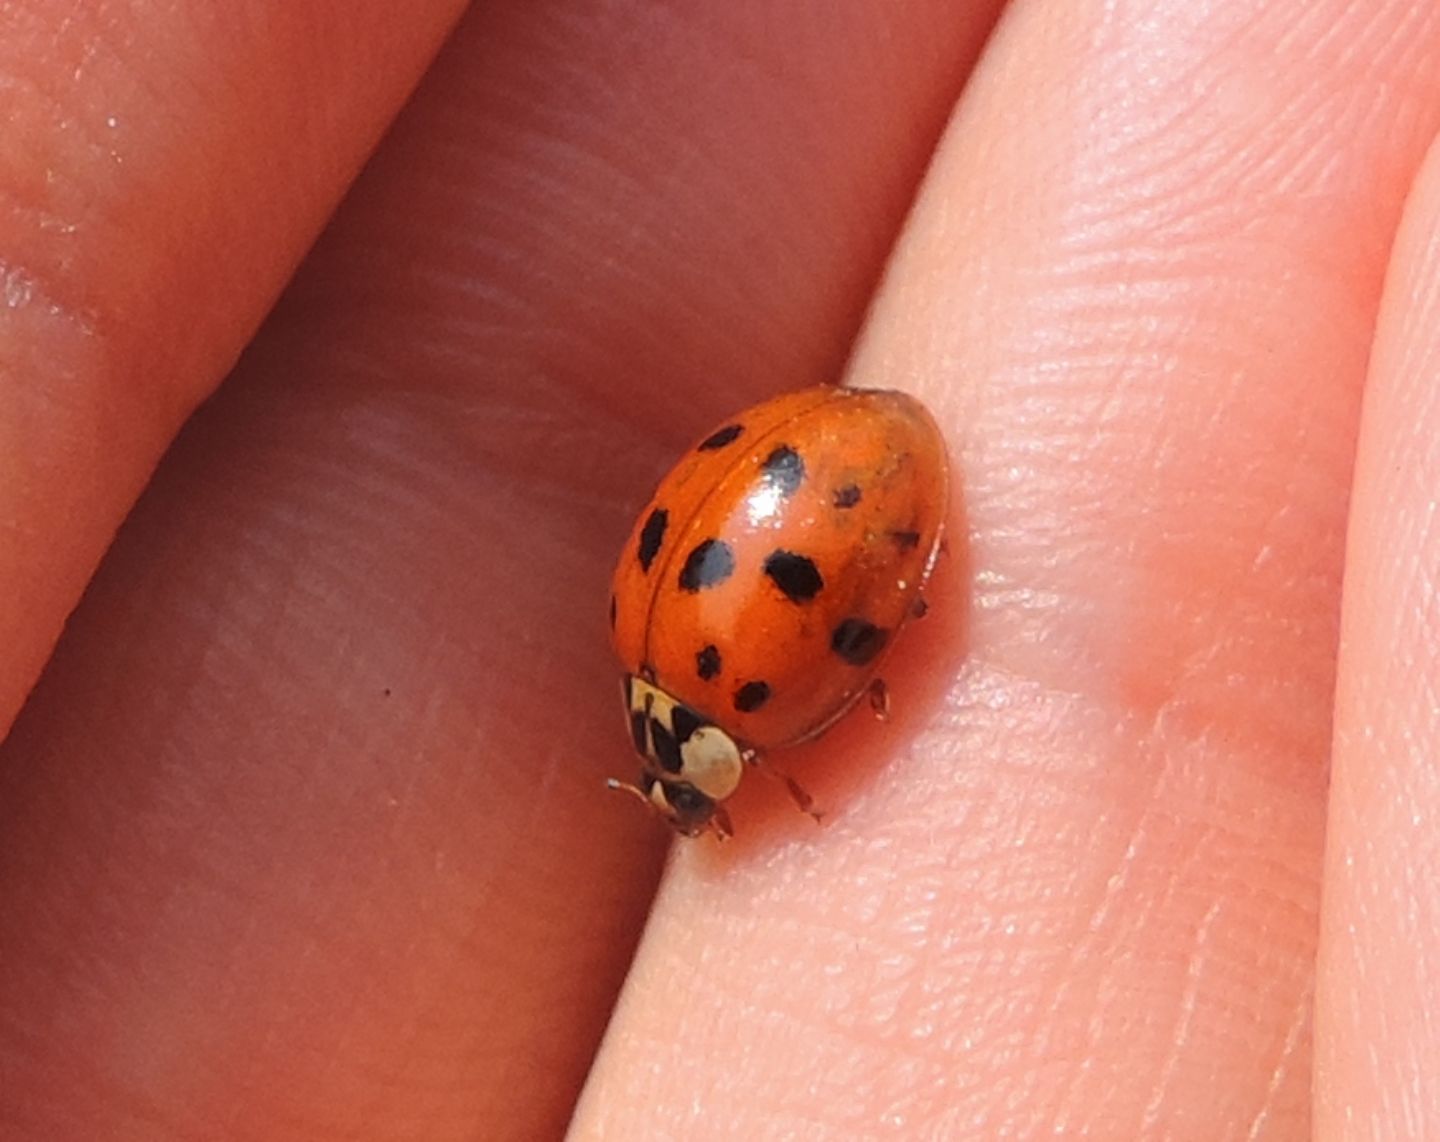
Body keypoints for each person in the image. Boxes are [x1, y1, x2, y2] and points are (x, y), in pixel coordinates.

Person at [0, 1, 1433, 1137]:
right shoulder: (667, 643)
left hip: (844, 468)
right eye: (687, 791)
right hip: (833, 471)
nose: (695, 802)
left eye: (685, 784)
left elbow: (831, 638)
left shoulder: (725, 679)